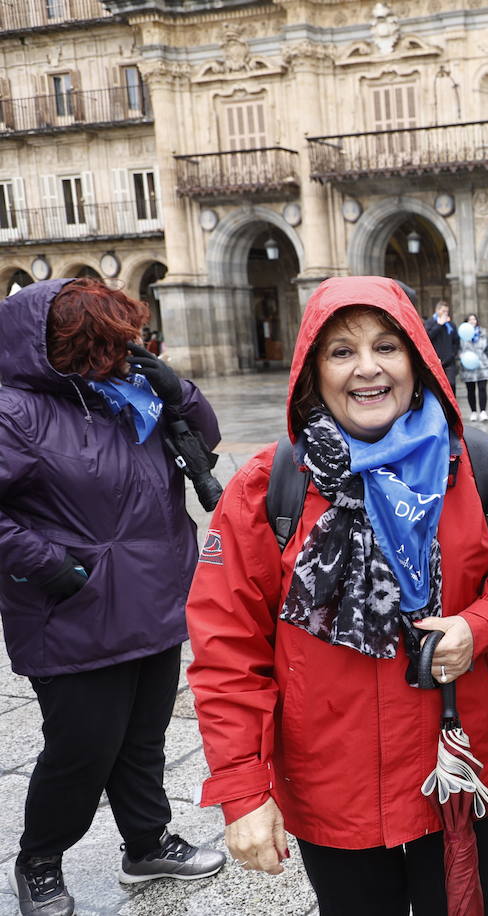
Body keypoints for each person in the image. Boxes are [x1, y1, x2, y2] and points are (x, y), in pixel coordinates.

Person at [185, 277, 488, 916]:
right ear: (312, 371)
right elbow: (227, 648)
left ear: (418, 362)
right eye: (341, 352)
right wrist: (243, 790)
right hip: (333, 783)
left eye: (387, 347)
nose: (367, 368)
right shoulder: (269, 489)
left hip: (454, 769)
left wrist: (481, 624)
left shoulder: (482, 469)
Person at [0, 279, 225, 916]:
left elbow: (200, 443)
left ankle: (146, 842)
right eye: (109, 342)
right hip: (72, 609)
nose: (124, 352)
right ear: (67, 346)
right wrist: (53, 568)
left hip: (153, 596)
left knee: (142, 737)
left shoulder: (126, 393)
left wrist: (178, 389)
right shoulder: (13, 411)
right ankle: (40, 859)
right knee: (81, 750)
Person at [459, 312, 488, 422]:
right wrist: (461, 356)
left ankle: (483, 411)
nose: (472, 322)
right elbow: (459, 348)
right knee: (470, 389)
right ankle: (473, 411)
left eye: (474, 319)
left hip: (481, 363)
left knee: (482, 388)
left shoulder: (483, 333)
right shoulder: (462, 334)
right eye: (470, 320)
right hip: (468, 364)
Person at [424, 302, 459, 391]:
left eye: (447, 311)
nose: (445, 313)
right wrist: (439, 325)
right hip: (436, 361)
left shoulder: (451, 325)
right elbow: (427, 337)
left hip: (449, 361)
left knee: (451, 384)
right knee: (438, 387)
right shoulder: (430, 322)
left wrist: (453, 354)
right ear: (437, 310)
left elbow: (456, 341)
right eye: (443, 311)